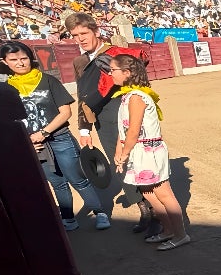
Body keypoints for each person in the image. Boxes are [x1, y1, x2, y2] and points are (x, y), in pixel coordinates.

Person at [0, 41, 110, 232]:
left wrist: (43, 133)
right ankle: (68, 218)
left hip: (59, 138)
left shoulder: (48, 80)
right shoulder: (6, 89)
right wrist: (27, 141)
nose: (20, 63)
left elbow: (65, 112)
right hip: (34, 144)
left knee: (77, 178)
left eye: (24, 58)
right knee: (57, 182)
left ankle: (100, 212)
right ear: (4, 61)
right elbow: (9, 120)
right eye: (14, 59)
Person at [66, 12, 155, 234]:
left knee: (140, 159)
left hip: (125, 111)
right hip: (102, 120)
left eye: (84, 33)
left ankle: (158, 208)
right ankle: (144, 209)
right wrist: (84, 127)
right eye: (75, 35)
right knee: (121, 165)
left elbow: (139, 76)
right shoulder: (79, 62)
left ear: (96, 31)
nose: (80, 38)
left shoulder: (116, 53)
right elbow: (83, 96)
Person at [109, 55, 190, 250]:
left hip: (148, 150)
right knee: (148, 192)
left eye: (113, 70)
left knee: (163, 193)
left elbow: (134, 130)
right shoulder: (128, 96)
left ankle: (180, 234)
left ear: (127, 73)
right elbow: (124, 130)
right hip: (138, 151)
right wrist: (119, 150)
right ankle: (169, 230)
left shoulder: (137, 97)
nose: (110, 74)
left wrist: (124, 151)